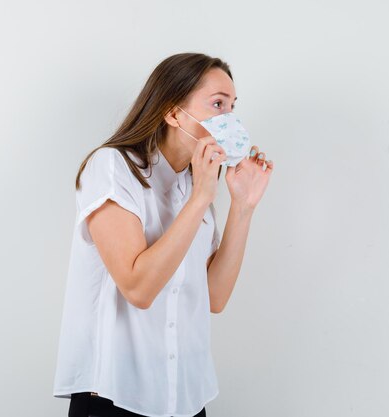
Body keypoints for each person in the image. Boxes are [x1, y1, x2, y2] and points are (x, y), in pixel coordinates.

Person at [53, 52, 274, 417]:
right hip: (114, 395)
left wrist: (242, 206)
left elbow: (214, 297)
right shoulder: (113, 167)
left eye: (232, 108)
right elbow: (138, 288)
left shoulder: (194, 186)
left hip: (183, 395)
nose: (229, 119)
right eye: (217, 104)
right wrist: (202, 197)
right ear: (173, 113)